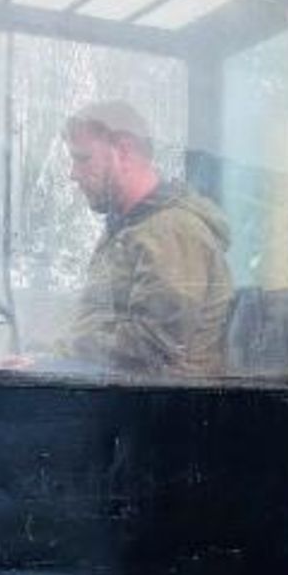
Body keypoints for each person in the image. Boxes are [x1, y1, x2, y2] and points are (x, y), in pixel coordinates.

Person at [52, 100, 232, 378]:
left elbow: (150, 346)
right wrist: (44, 354)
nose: (73, 174)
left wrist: (57, 355)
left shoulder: (172, 231)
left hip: (166, 408)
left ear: (123, 152)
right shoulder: (131, 227)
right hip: (120, 392)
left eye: (83, 158)